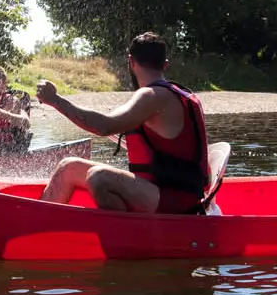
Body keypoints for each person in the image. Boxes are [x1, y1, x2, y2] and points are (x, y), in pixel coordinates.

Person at [36, 32, 212, 214]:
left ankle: (130, 237)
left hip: (177, 201)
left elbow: (104, 126)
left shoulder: (152, 96)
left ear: (131, 62)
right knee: (69, 167)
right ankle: (38, 226)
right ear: (165, 64)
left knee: (99, 178)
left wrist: (55, 100)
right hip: (164, 192)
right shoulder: (172, 93)